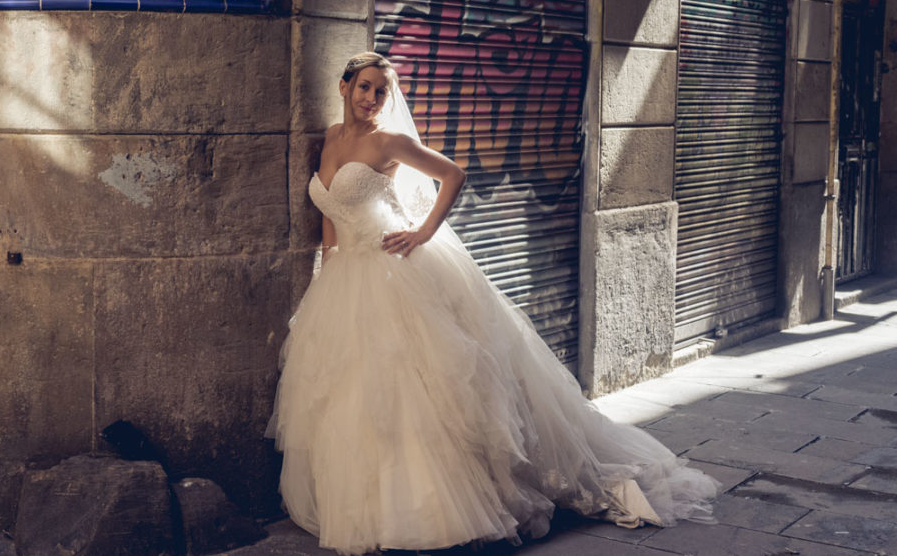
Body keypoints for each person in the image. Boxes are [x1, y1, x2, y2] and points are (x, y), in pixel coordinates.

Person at [265, 52, 718, 555]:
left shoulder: (388, 142)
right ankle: (364, 503)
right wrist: (327, 275)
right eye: (365, 87)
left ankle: (437, 505)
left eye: (382, 91)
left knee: (416, 389)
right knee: (356, 394)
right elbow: (330, 212)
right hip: (347, 276)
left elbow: (453, 175)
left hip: (394, 268)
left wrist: (421, 232)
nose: (372, 98)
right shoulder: (330, 137)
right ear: (344, 86)